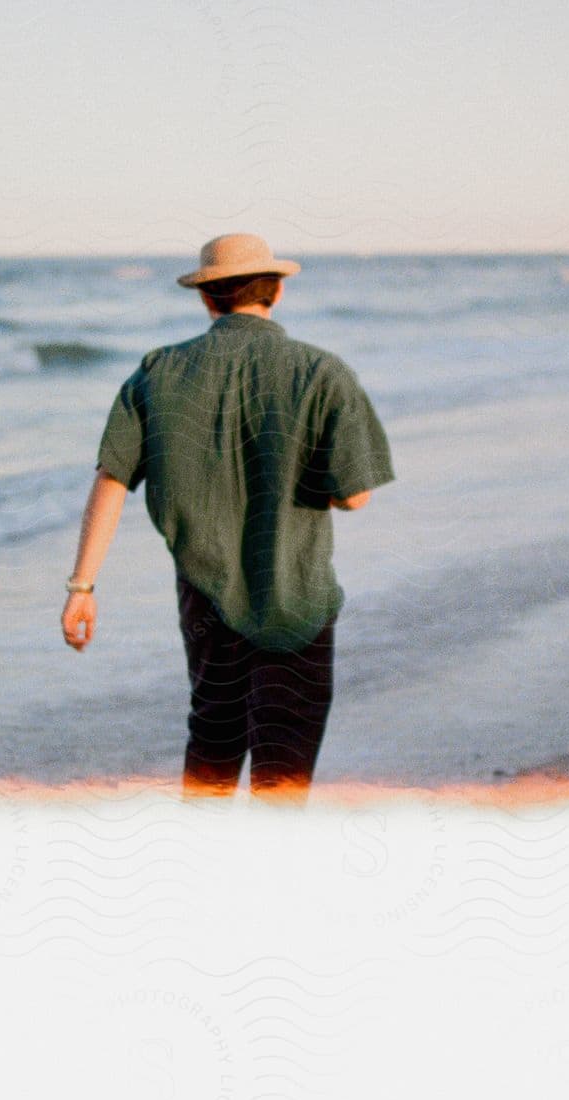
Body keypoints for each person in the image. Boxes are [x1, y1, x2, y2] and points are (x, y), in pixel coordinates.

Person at [61, 232, 395, 798]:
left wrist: (81, 586)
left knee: (212, 747)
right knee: (283, 765)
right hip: (298, 594)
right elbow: (355, 495)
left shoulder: (158, 370)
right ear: (278, 291)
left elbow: (112, 478)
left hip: (205, 596)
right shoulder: (322, 372)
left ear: (206, 297)